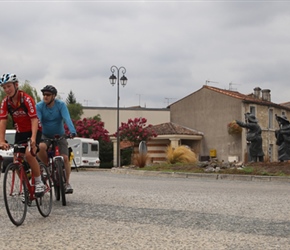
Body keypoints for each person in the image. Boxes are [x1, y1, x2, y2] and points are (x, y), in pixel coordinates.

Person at [0, 73, 45, 196]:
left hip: (34, 129)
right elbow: (3, 121)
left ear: (16, 85)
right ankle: (26, 188)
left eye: (9, 86)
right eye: (4, 88)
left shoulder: (26, 99)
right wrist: (2, 140)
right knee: (16, 161)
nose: (7, 90)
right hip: (20, 132)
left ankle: (39, 182)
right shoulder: (5, 102)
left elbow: (34, 119)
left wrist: (34, 139)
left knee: (29, 154)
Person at [36, 85, 76, 194]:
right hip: (45, 135)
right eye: (44, 94)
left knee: (65, 158)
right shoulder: (39, 106)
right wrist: (35, 134)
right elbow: (38, 121)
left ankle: (67, 183)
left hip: (60, 135)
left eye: (48, 95)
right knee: (41, 147)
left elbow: (66, 118)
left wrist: (72, 131)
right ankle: (46, 166)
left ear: (54, 96)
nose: (45, 97)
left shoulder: (61, 105)